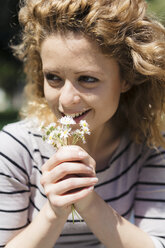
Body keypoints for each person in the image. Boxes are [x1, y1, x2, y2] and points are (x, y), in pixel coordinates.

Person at [0, 0, 165, 247]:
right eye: (53, 77)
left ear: (126, 79)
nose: (66, 100)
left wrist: (87, 201)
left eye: (87, 79)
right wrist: (54, 212)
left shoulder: (147, 144)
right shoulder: (16, 148)